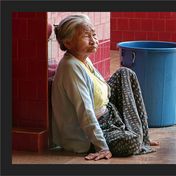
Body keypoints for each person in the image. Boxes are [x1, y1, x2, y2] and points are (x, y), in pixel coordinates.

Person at [51, 14, 159, 161]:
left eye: (93, 34)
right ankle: (137, 138)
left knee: (125, 73)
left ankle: (143, 136)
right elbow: (86, 112)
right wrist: (102, 146)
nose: (93, 40)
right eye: (86, 36)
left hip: (108, 113)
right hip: (92, 131)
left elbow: (104, 91)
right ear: (68, 43)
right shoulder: (70, 68)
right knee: (131, 142)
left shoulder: (83, 59)